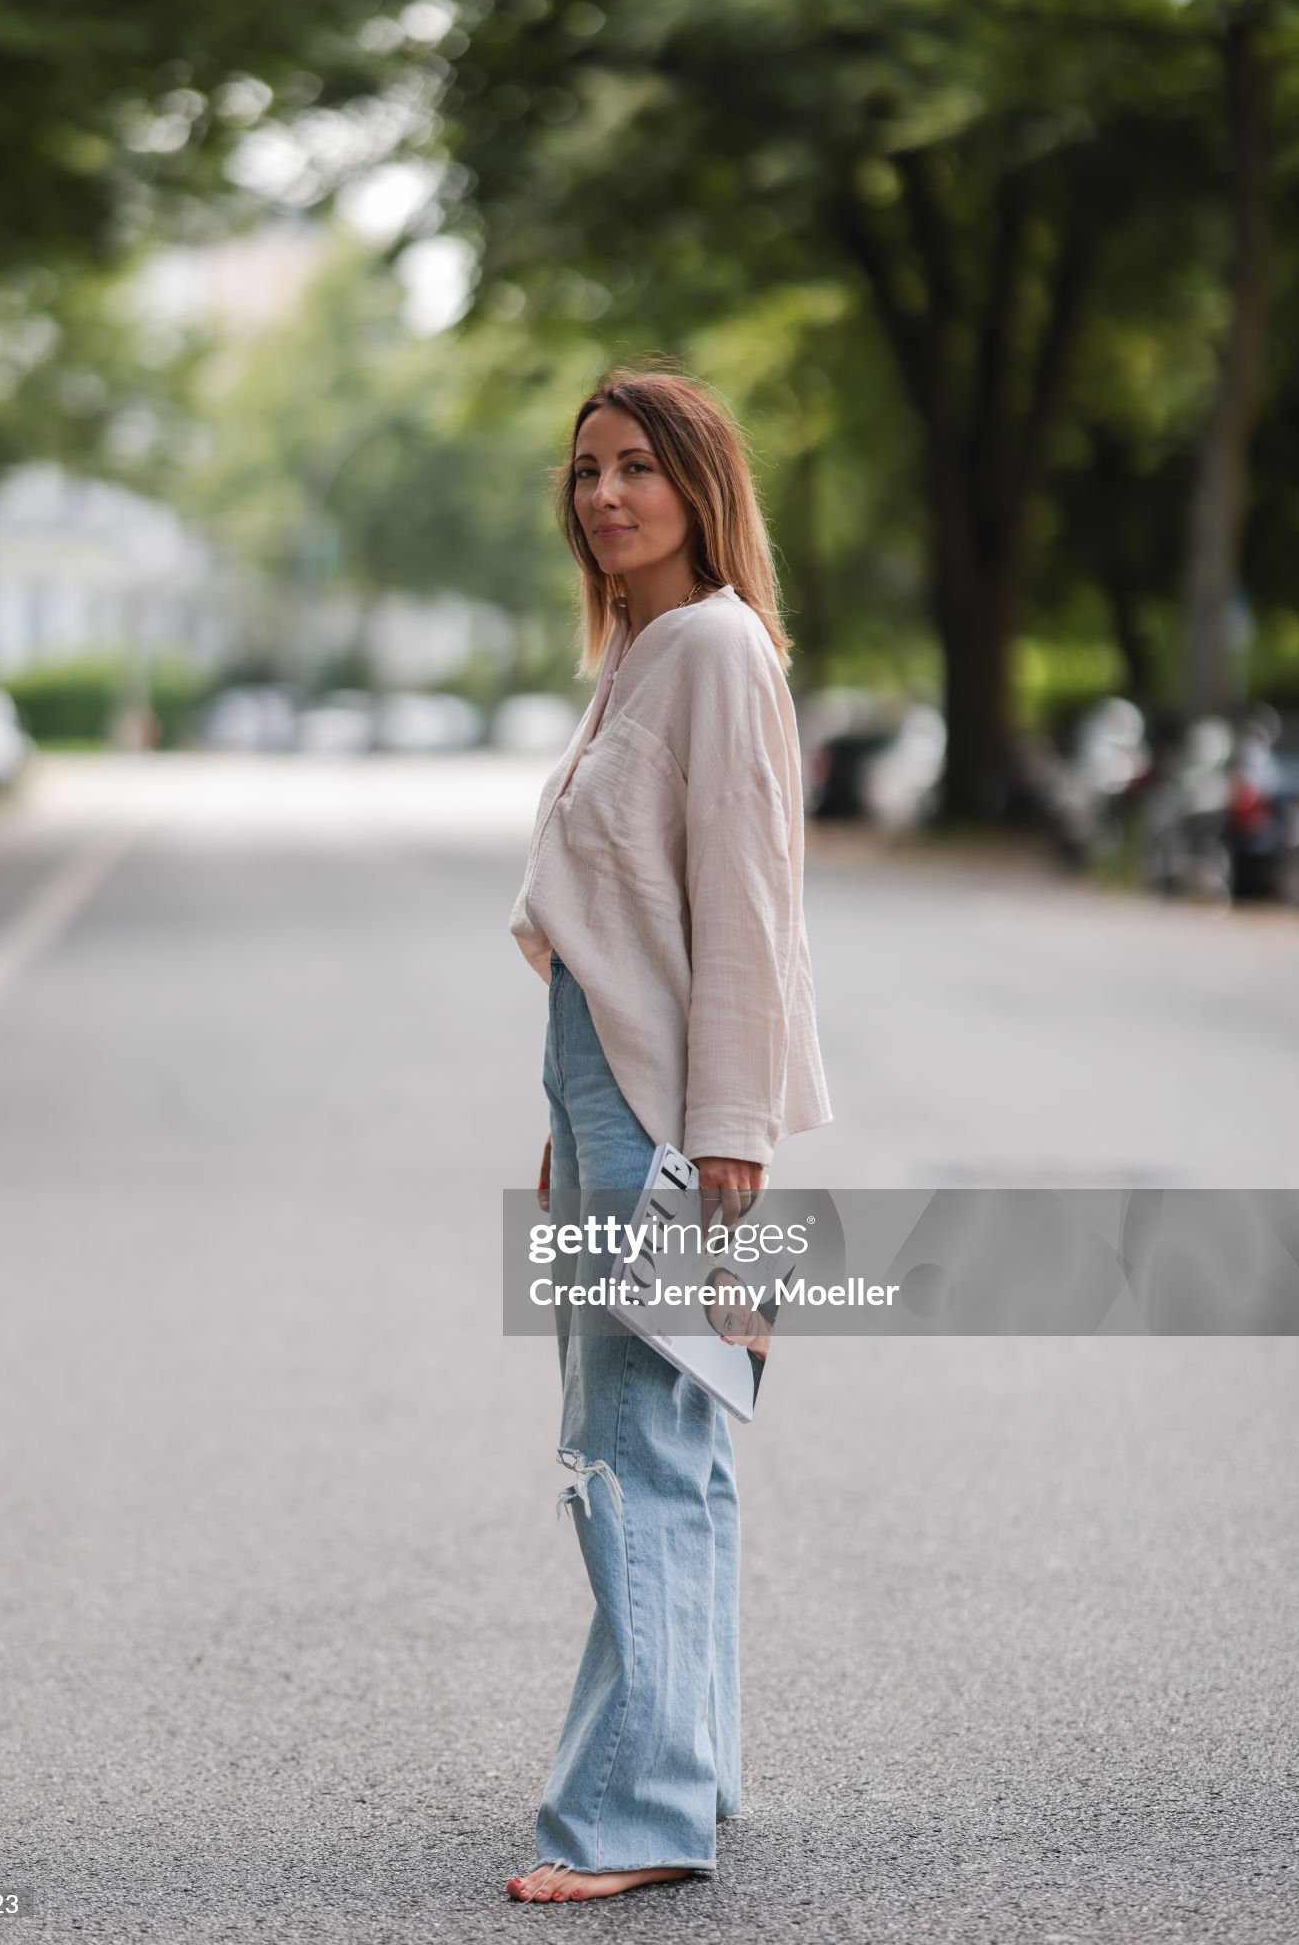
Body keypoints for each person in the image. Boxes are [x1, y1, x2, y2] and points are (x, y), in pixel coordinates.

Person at [505, 362, 832, 1905]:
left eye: (638, 465)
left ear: (703, 486)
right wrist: (572, 1132)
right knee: (674, 1449)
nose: (607, 495)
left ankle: (636, 1816)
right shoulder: (642, 651)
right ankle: (682, 1775)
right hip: (607, 1093)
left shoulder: (710, 650)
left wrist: (728, 1139)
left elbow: (748, 914)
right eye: (587, 471)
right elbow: (613, 935)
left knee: (630, 1450)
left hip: (660, 1106)